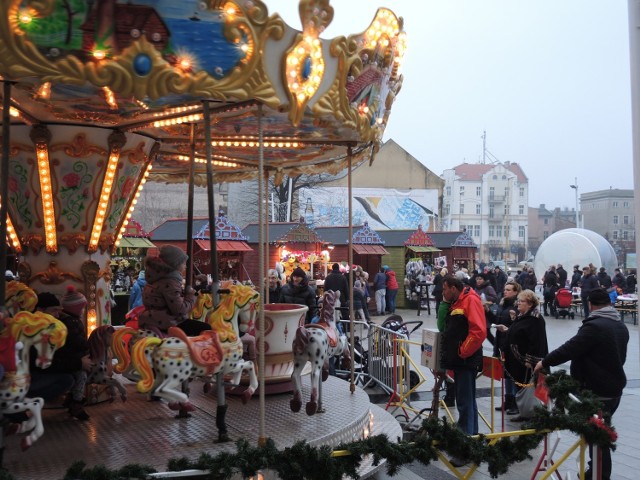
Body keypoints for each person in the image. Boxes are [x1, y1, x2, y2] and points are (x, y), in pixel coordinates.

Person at [534, 288, 629, 480]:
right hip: (614, 388)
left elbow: (570, 348)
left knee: (598, 437)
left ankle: (600, 475)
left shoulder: (595, 326)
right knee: (599, 433)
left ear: (590, 304)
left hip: (597, 390)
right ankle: (594, 471)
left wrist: (545, 361)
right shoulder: (620, 326)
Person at [440, 275, 486, 466]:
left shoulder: (470, 300)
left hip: (466, 361)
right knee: (467, 403)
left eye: (444, 289)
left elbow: (479, 331)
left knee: (465, 404)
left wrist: (462, 351)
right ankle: (471, 443)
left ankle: (465, 449)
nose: (443, 293)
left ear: (453, 287)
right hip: (461, 361)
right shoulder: (458, 301)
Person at [33, 288, 91, 420]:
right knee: (73, 377)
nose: (58, 315)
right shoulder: (63, 325)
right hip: (35, 373)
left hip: (66, 359)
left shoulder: (57, 325)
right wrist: (79, 361)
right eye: (54, 310)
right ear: (41, 310)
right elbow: (48, 360)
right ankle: (75, 403)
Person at [496, 289, 548, 422]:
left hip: (527, 362)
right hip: (517, 360)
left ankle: (533, 413)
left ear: (530, 304)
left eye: (522, 301)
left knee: (529, 387)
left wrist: (530, 360)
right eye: (518, 300)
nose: (518, 303)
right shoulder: (523, 315)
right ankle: (524, 412)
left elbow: (536, 341)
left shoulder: (535, 319)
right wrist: (507, 329)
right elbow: (518, 333)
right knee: (521, 386)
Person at [138, 245, 196, 335]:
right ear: (175, 264)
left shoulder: (155, 279)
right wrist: (191, 296)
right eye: (183, 263)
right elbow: (179, 309)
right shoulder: (170, 282)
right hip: (168, 322)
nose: (186, 266)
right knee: (206, 328)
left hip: (153, 319)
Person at [492, 281, 522, 415]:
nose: (505, 291)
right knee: (506, 374)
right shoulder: (503, 304)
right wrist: (487, 313)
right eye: (505, 289)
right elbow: (497, 320)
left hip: (512, 344)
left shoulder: (517, 306)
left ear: (516, 292)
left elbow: (520, 327)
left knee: (513, 374)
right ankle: (508, 400)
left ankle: (516, 402)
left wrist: (511, 324)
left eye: (509, 290)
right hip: (501, 341)